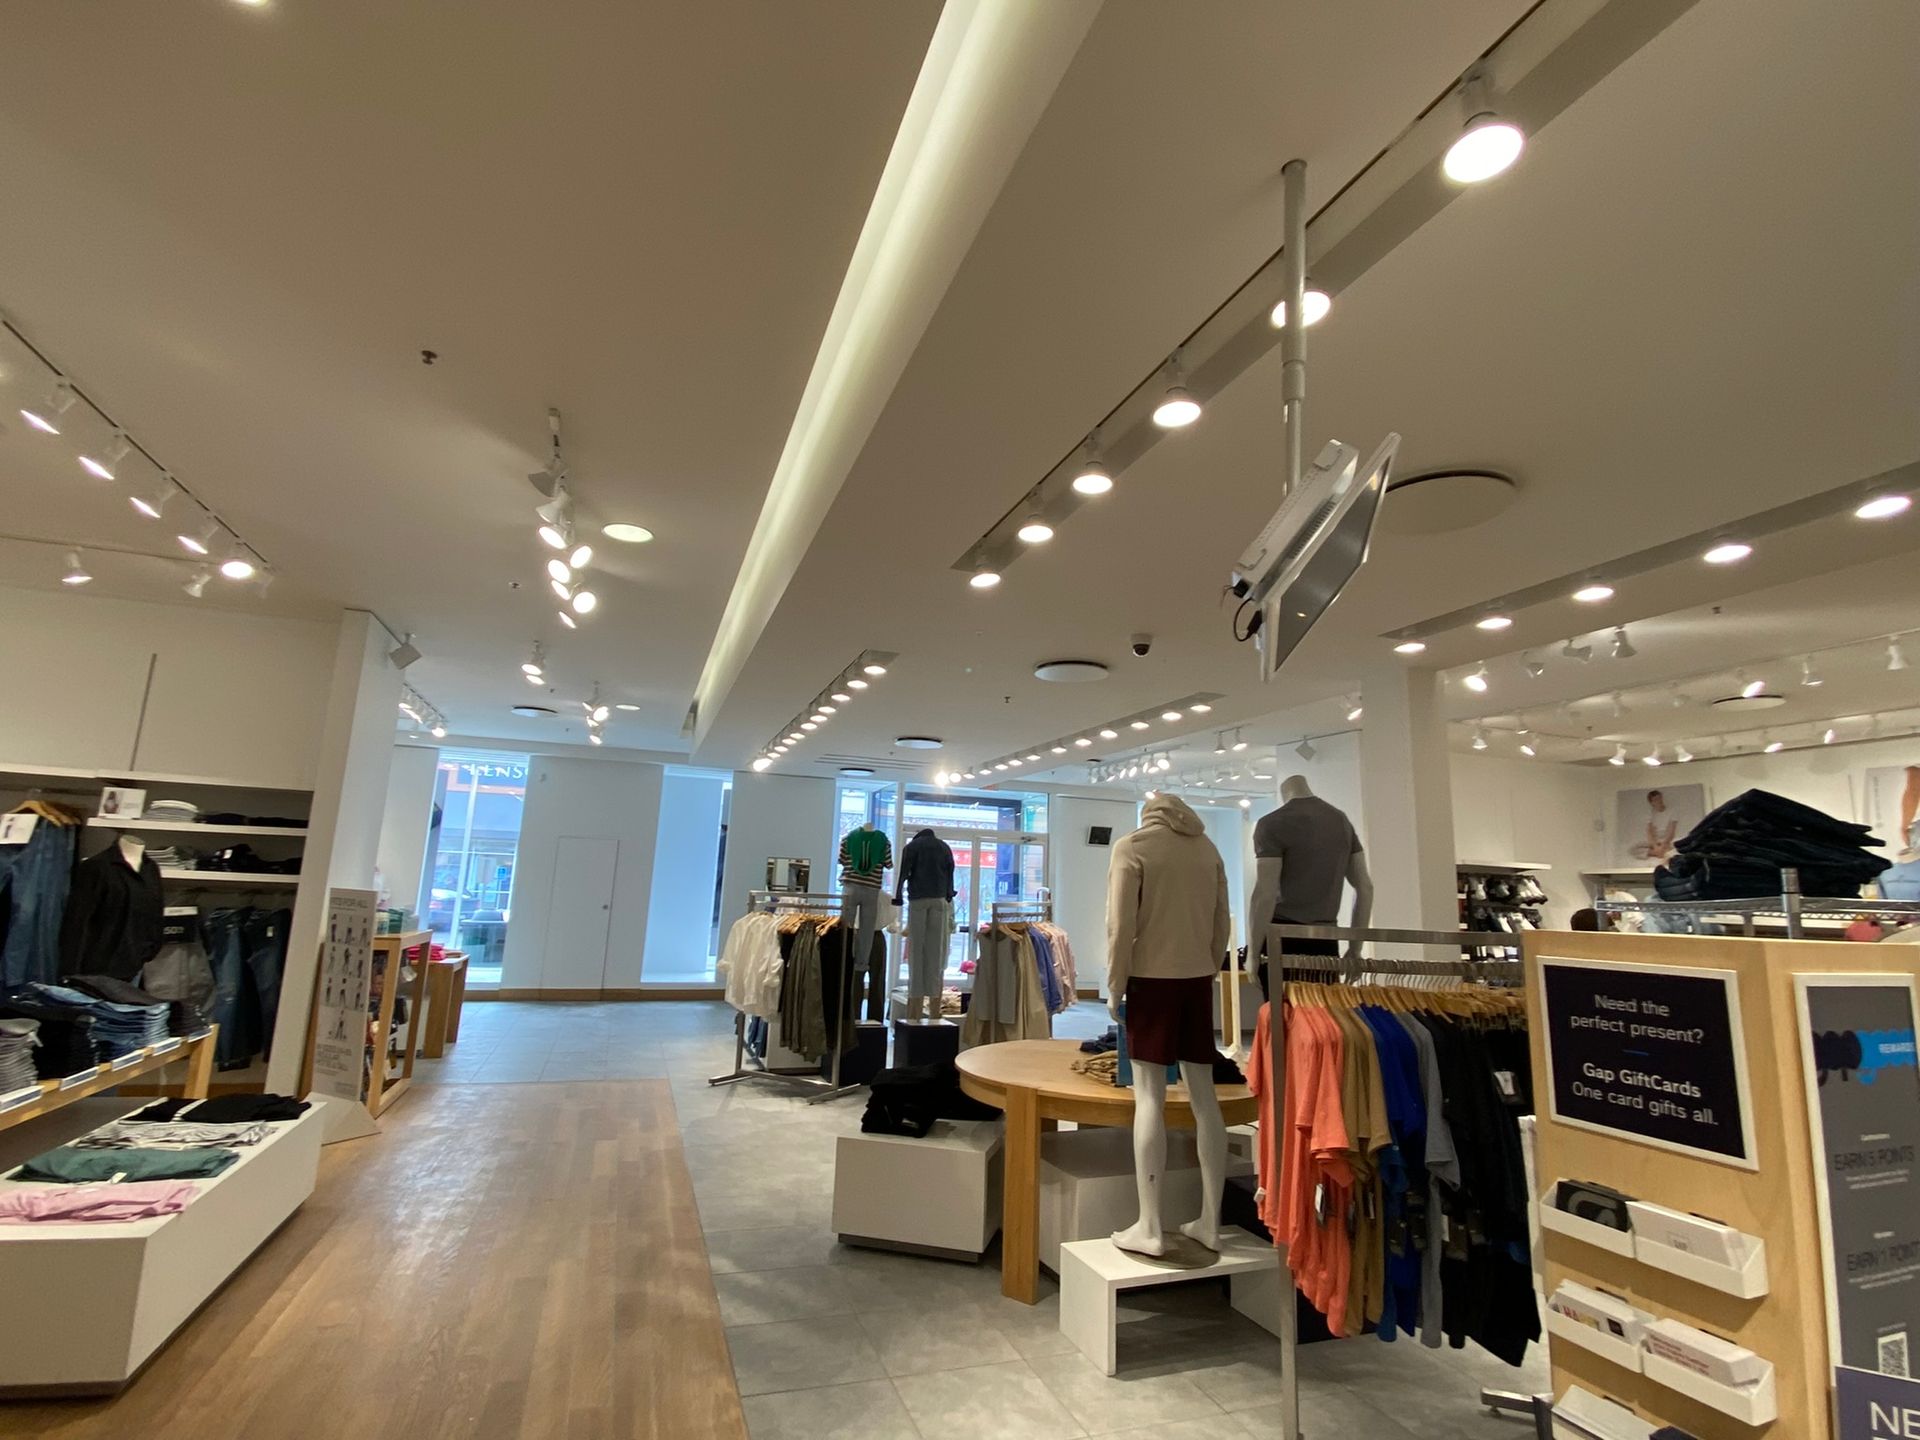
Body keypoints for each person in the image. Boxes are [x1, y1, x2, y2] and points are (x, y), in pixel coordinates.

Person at [1105, 792, 1232, 1256]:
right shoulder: (1207, 848)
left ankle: (1151, 1226)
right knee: (1205, 1097)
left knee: (1149, 1098)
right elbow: (1223, 918)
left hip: (1150, 980)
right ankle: (1212, 1223)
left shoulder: (1133, 846)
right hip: (1197, 977)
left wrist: (1115, 985)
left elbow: (1120, 924)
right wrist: (1210, 964)